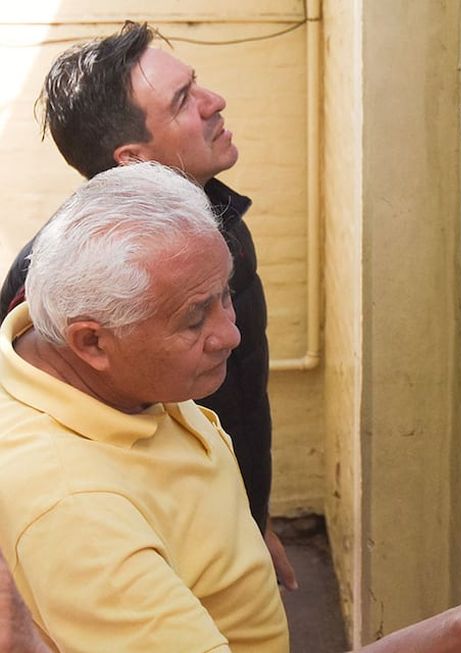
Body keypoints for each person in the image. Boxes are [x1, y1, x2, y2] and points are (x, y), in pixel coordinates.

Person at [0, 162, 461, 652]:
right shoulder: (75, 510)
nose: (230, 335)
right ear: (91, 341)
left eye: (225, 297)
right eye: (194, 318)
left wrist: (232, 537)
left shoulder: (75, 363)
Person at [0, 21, 296, 587]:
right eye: (184, 100)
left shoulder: (212, 221)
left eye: (195, 84)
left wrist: (252, 521)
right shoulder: (66, 280)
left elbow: (237, 405)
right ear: (134, 159)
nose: (215, 102)